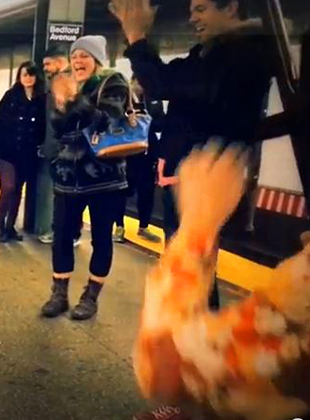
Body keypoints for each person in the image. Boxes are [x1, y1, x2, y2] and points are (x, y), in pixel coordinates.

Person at [111, 1, 277, 417]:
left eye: (201, 7)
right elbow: (173, 89)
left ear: (232, 6)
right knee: (190, 281)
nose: (192, 17)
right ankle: (200, 385)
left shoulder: (243, 52)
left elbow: (169, 84)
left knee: (190, 283)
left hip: (209, 181)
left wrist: (137, 36)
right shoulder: (219, 52)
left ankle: (193, 393)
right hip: (194, 176)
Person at [40, 36, 129, 321]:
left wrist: (75, 100)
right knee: (62, 236)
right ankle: (59, 293)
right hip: (68, 174)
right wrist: (63, 105)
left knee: (101, 237)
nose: (77, 61)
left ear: (97, 59)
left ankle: (91, 297)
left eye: (84, 56)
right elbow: (57, 125)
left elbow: (107, 120)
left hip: (104, 177)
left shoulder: (113, 82)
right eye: (74, 55)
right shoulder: (63, 82)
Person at [0, 61, 46, 242]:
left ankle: (10, 227)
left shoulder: (42, 98)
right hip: (7, 151)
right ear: (19, 77)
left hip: (27, 153)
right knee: (8, 187)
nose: (28, 78)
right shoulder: (11, 96)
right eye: (25, 75)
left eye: (31, 74)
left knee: (18, 189)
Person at [112, 77, 164, 244]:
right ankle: (119, 226)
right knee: (122, 191)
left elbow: (160, 124)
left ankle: (144, 226)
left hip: (148, 154)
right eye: (139, 83)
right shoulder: (123, 101)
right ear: (132, 83)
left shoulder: (153, 101)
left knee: (147, 192)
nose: (141, 87)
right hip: (128, 154)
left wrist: (149, 118)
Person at [36, 48, 72, 245]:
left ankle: (57, 231)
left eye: (48, 64)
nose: (45, 68)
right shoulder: (58, 81)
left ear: (59, 62)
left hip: (62, 147)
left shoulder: (64, 82)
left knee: (60, 192)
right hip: (58, 146)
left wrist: (54, 146)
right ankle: (60, 231)